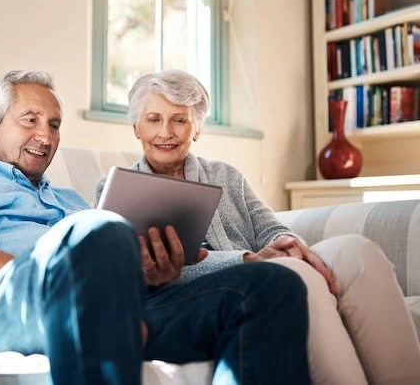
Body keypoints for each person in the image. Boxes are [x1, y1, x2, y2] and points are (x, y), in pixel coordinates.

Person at [0, 70, 312, 385]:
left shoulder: (71, 202)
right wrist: (83, 283)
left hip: (112, 310)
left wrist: (153, 275)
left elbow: (118, 266)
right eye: (30, 120)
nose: (45, 136)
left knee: (270, 286)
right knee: (101, 233)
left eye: (55, 124)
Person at [96, 69, 420, 385]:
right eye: (154, 119)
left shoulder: (226, 175)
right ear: (136, 127)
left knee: (357, 251)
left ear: (196, 129)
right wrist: (248, 260)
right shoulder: (113, 190)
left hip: (259, 265)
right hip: (200, 293)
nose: (165, 132)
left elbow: (269, 225)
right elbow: (142, 274)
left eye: (179, 120)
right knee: (295, 272)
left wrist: (285, 241)